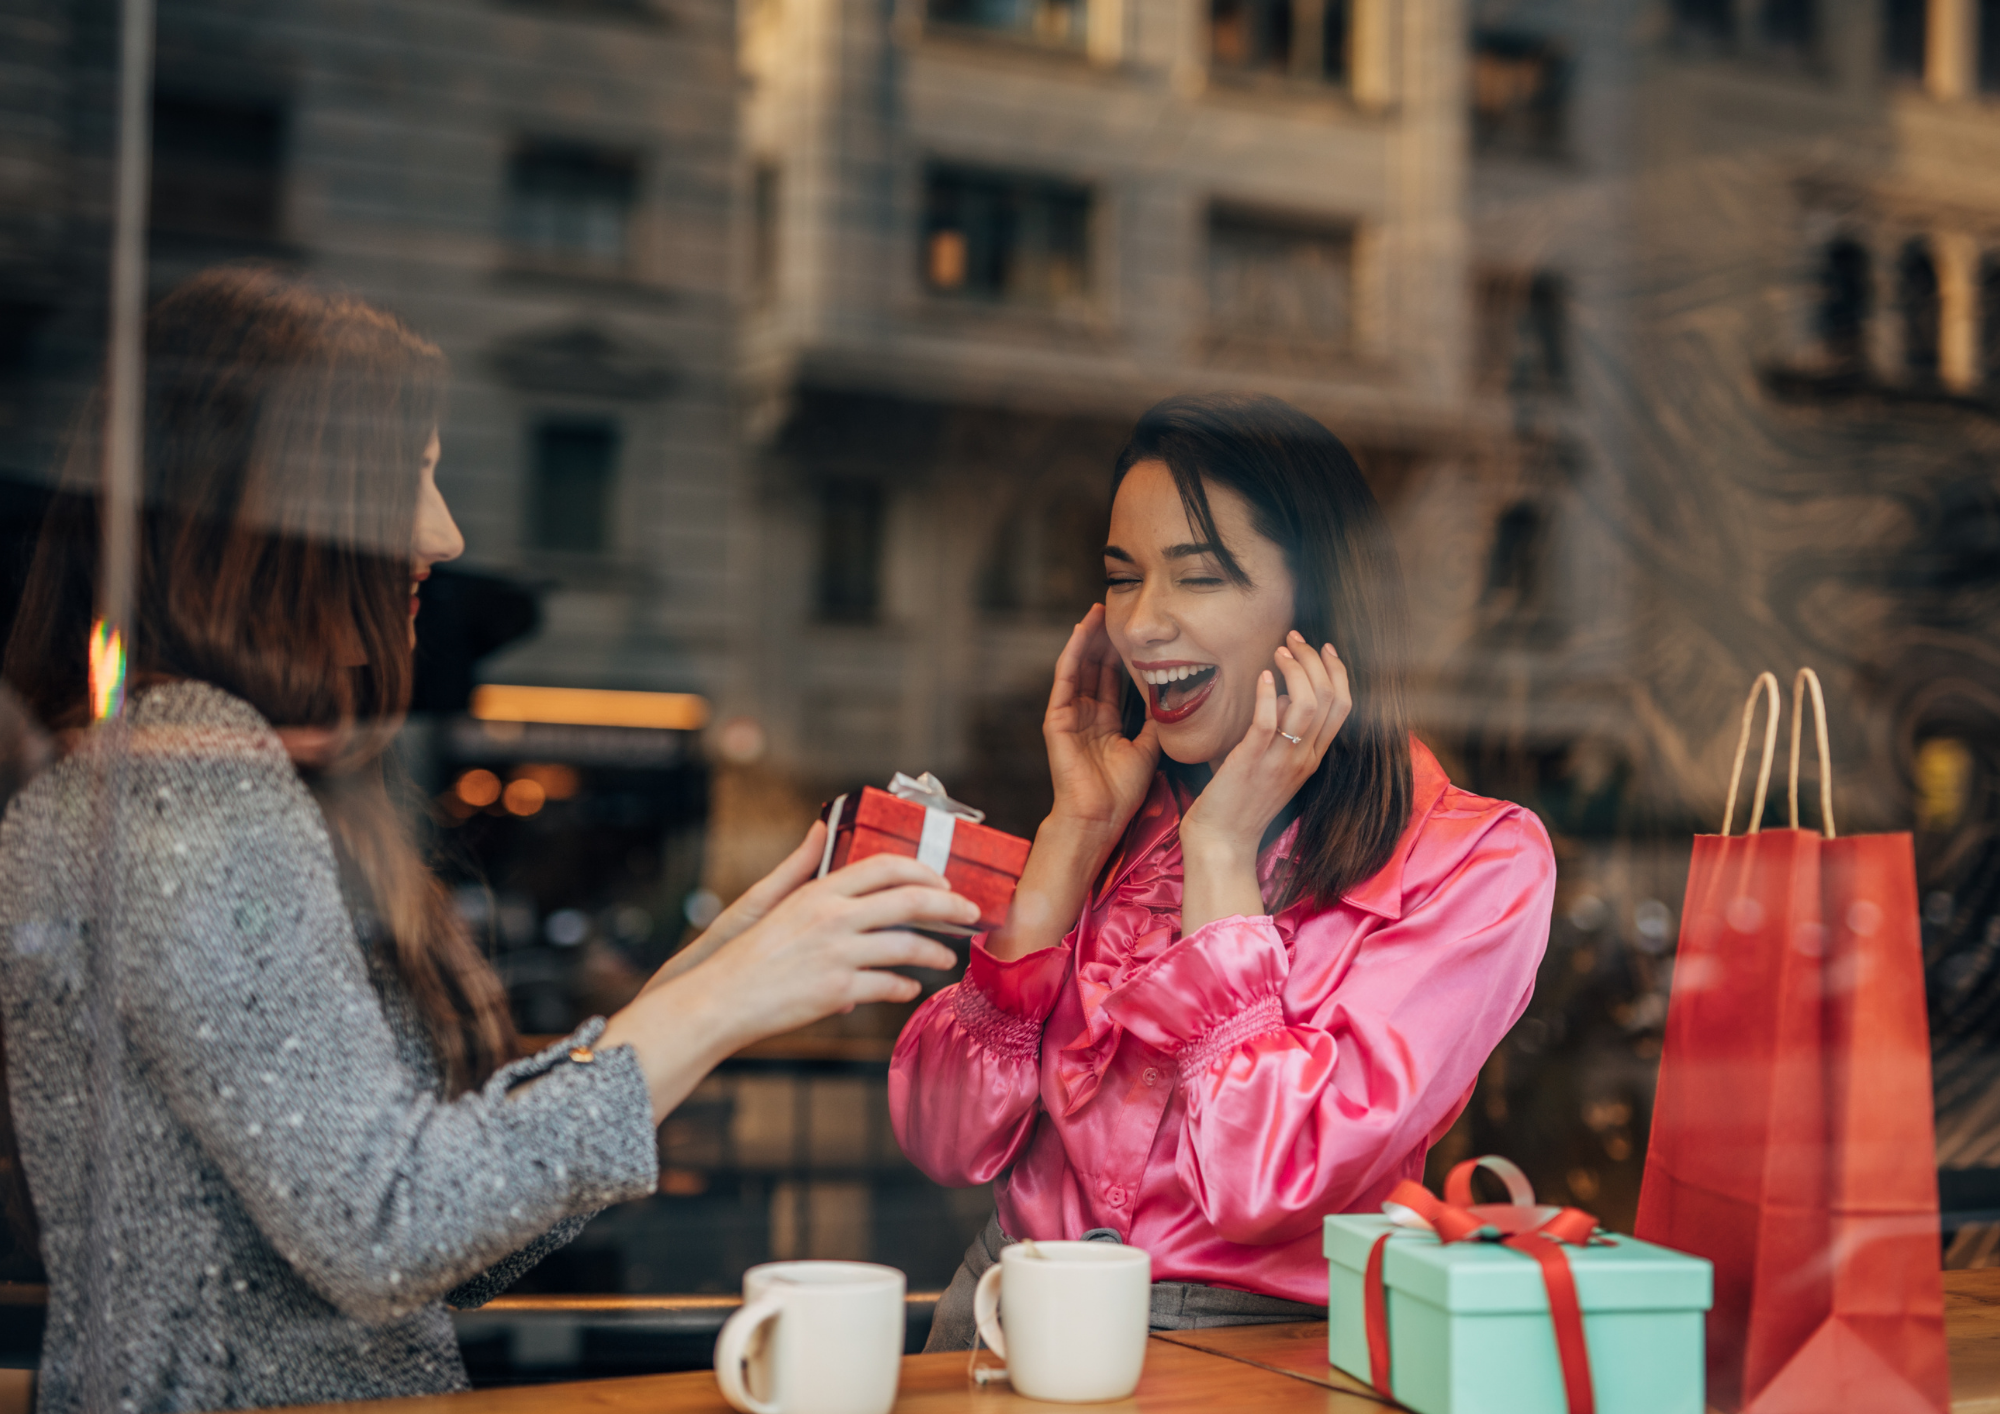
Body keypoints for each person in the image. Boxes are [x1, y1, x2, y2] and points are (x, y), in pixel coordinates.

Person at [0, 266, 975, 1414]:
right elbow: (388, 1230)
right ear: (291, 498)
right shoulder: (185, 784)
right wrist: (718, 1004)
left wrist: (706, 976)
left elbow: (437, 1238)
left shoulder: (178, 769)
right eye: (409, 474)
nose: (444, 533)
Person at [890, 393, 1557, 1346]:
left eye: (1198, 578)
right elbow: (944, 1139)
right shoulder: (1116, 810)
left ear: (1317, 604)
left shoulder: (1473, 861)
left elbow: (1265, 1183)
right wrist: (1071, 838)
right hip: (1000, 1309)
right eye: (1122, 580)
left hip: (1252, 1352)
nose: (1144, 625)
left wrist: (1219, 852)